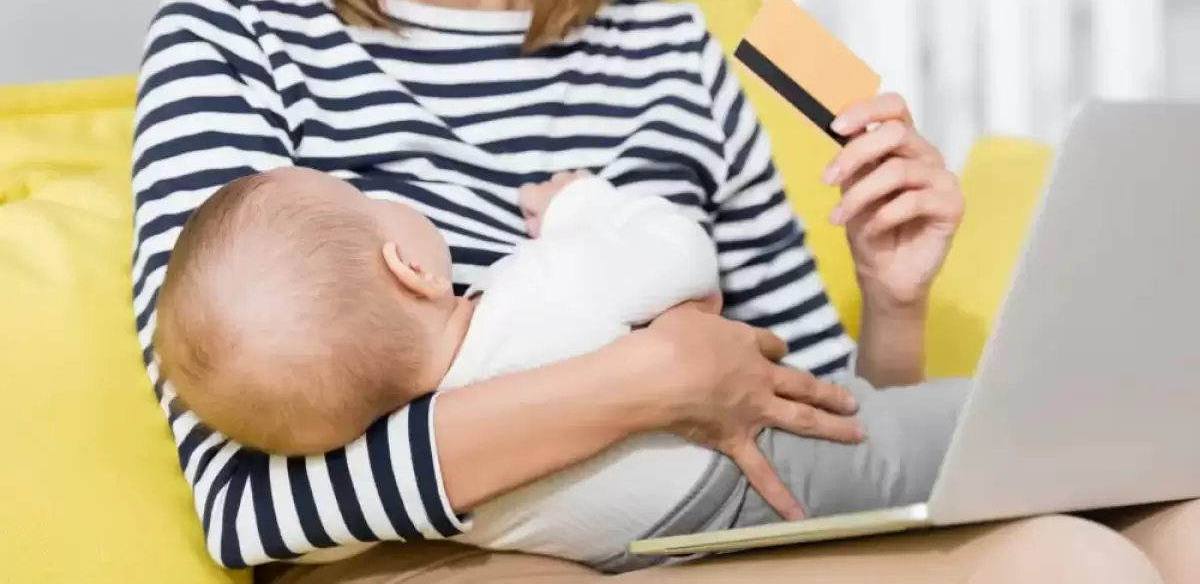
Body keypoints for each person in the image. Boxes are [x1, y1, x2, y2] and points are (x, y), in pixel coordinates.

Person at [128, 0, 1199, 581]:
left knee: (1137, 540)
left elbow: (820, 430)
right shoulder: (231, 26)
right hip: (444, 557)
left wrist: (895, 296)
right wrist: (646, 379)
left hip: (720, 522)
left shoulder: (670, 50)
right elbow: (249, 507)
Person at [153, 164, 968, 572]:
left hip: (668, 545)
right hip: (766, 468)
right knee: (961, 439)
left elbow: (299, 541)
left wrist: (894, 305)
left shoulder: (429, 497)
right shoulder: (539, 283)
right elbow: (682, 256)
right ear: (412, 268)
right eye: (366, 197)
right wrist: (584, 205)